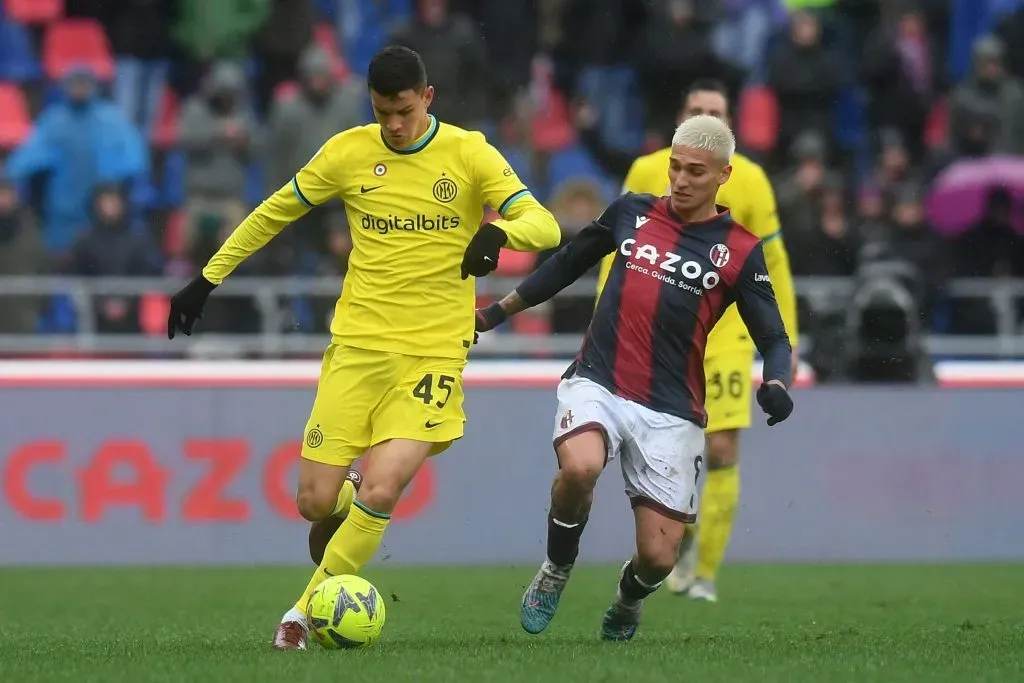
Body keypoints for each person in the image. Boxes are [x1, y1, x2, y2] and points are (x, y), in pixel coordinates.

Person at [165, 45, 562, 650]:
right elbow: (275, 212)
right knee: (314, 504)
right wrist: (207, 279)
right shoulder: (350, 152)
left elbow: (546, 225)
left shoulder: (469, 152)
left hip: (433, 353)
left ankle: (300, 615)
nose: (394, 126)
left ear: (427, 98)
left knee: (384, 487)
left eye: (403, 111)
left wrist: (498, 232)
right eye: (382, 113)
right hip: (357, 348)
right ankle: (347, 504)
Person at [475, 115, 794, 641]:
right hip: (599, 380)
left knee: (658, 556)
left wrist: (777, 384)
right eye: (675, 167)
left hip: (672, 408)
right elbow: (569, 262)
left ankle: (627, 599)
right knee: (579, 468)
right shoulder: (631, 211)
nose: (681, 179)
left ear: (723, 175)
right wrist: (494, 313)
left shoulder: (738, 249)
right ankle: (556, 568)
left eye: (696, 171)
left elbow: (775, 339)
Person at [595, 79, 799, 602]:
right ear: (681, 118)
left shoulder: (751, 180)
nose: (706, 117)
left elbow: (771, 264)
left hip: (726, 335)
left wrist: (785, 349)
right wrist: (605, 313)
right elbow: (615, 250)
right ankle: (672, 544)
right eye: (696, 111)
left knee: (725, 447)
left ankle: (703, 573)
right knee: (653, 448)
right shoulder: (646, 171)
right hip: (654, 335)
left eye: (716, 113)